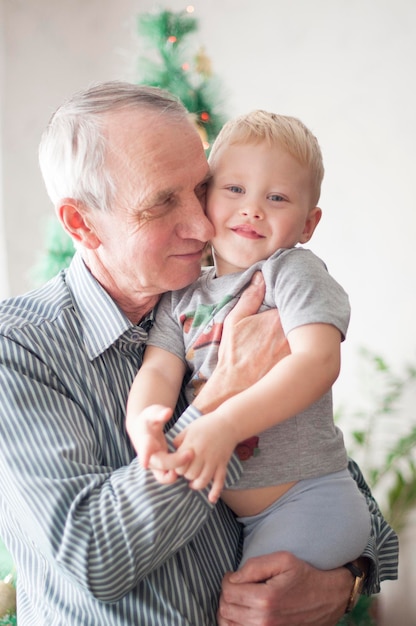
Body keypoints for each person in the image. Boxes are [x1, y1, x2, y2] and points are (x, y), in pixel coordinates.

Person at [0, 82, 398, 626]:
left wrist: (345, 580)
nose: (206, 224)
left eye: (201, 188)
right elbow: (96, 558)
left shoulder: (238, 293)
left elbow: (328, 468)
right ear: (81, 223)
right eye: (162, 202)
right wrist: (223, 396)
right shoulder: (18, 349)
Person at [126, 110, 370, 571]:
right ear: (204, 200)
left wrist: (225, 424)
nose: (252, 208)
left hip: (309, 500)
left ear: (307, 224)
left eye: (277, 197)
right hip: (249, 520)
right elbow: (159, 367)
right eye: (235, 189)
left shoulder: (292, 273)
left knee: (247, 611)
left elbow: (318, 363)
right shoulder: (182, 293)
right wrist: (143, 425)